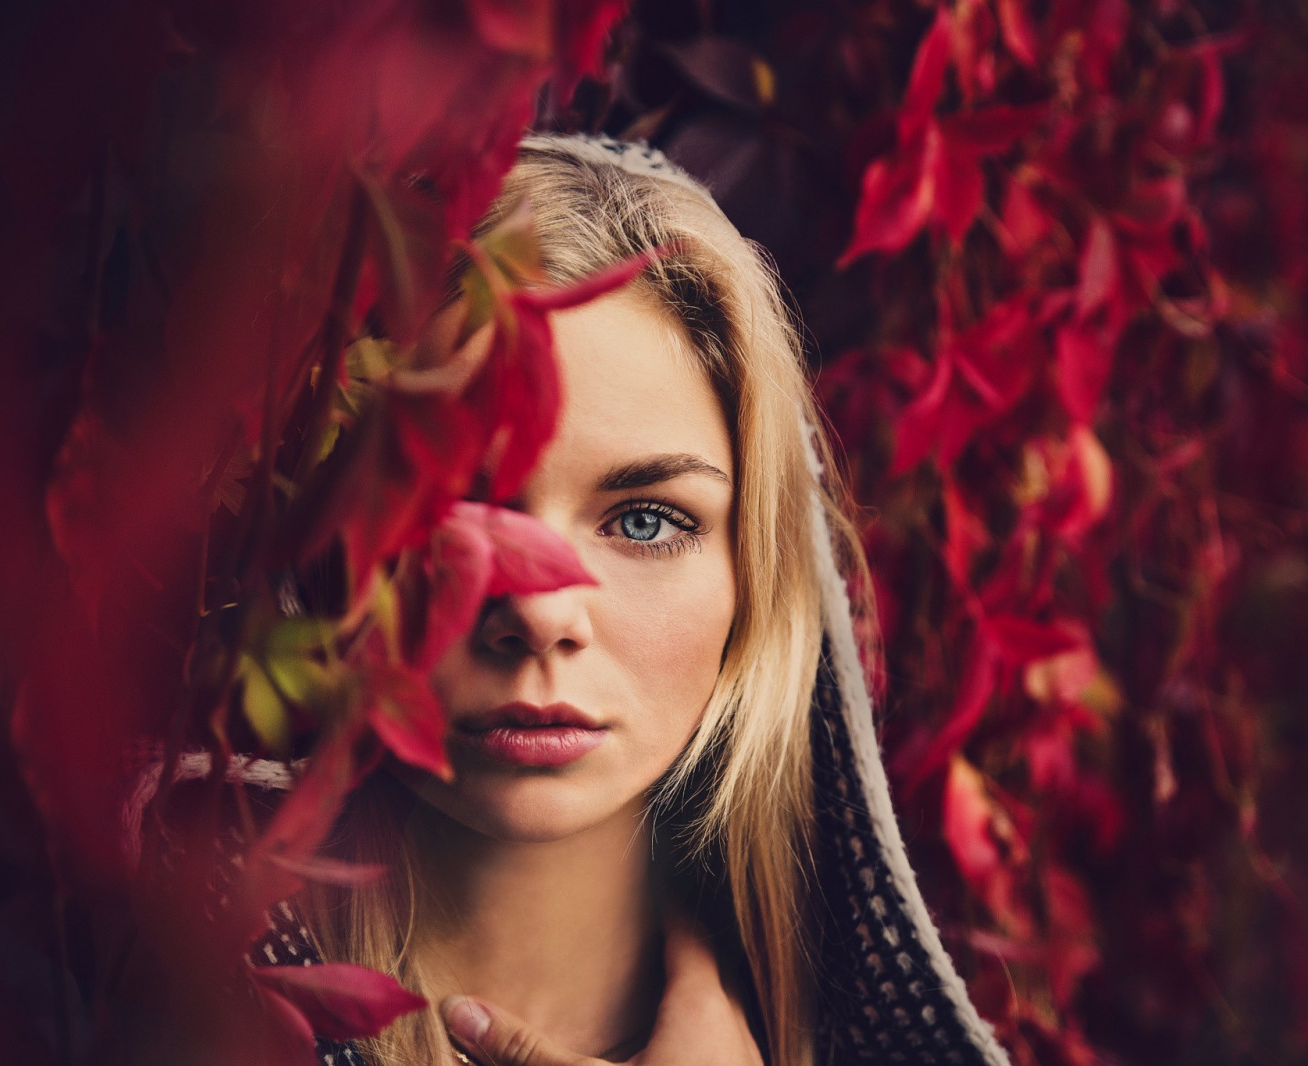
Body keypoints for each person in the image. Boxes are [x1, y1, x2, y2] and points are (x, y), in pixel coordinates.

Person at [250, 135, 1012, 1066]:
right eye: (448, 505)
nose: (540, 611)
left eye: (647, 522)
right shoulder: (120, 999)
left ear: (756, 577)